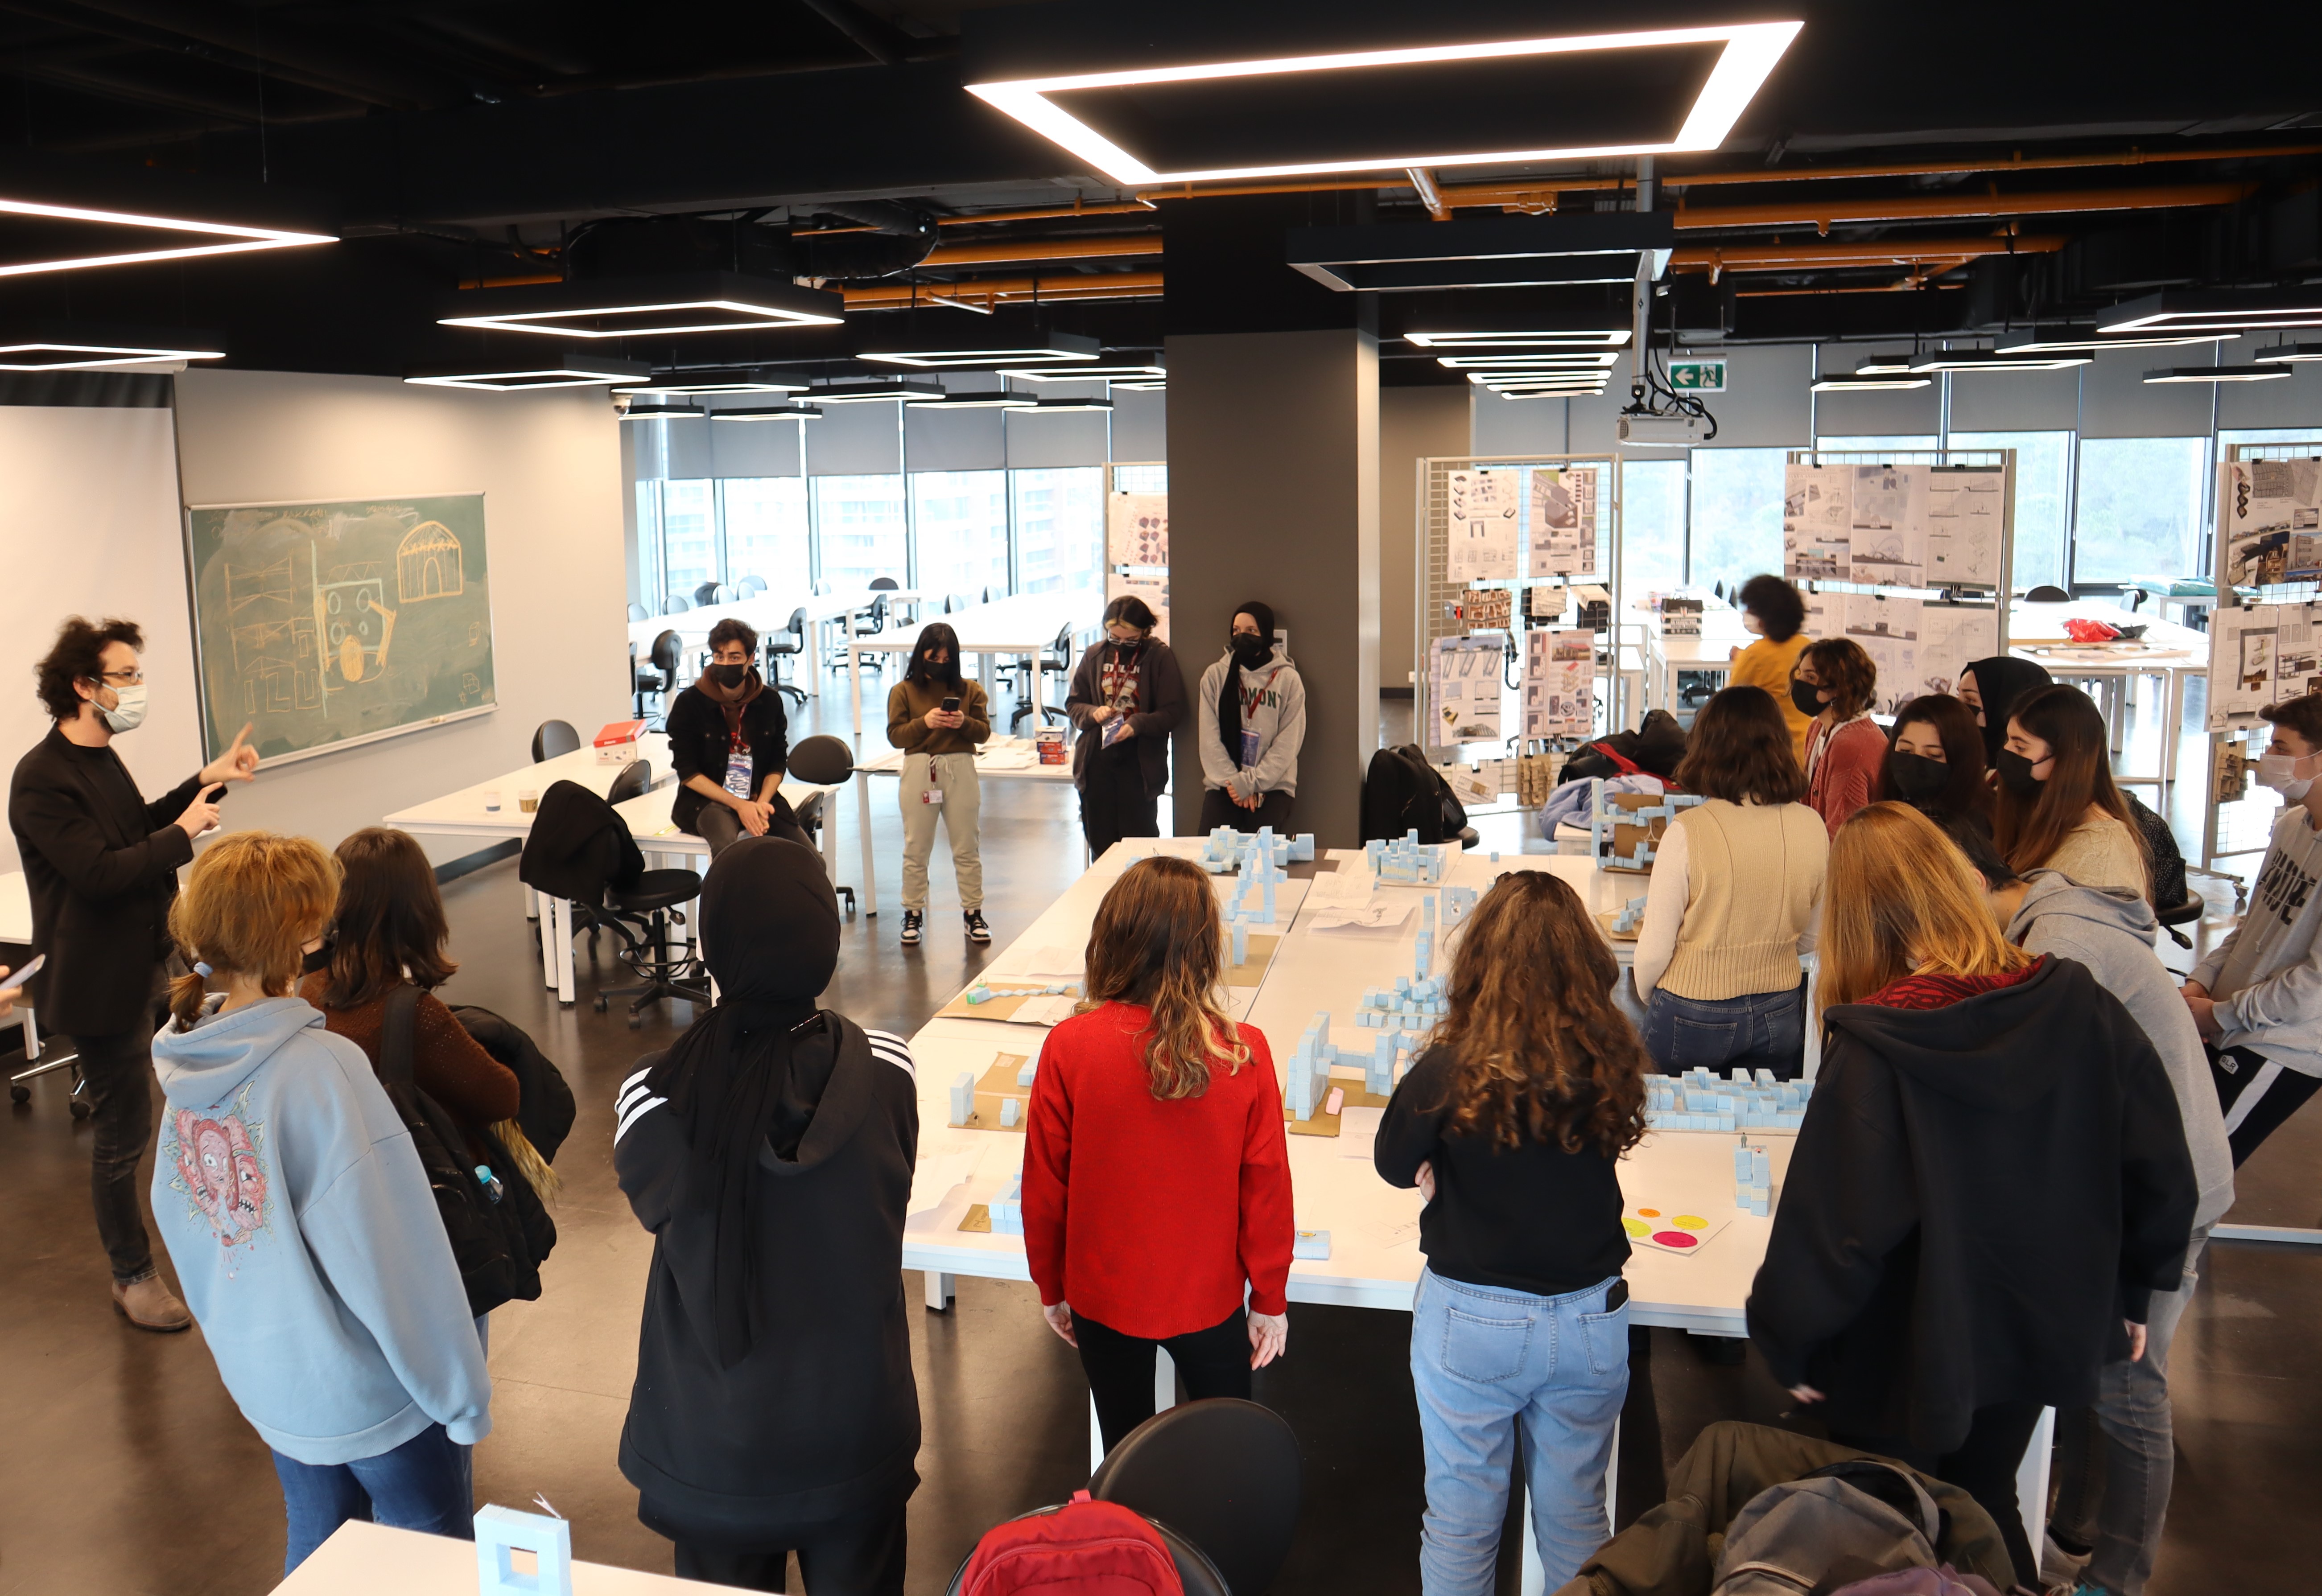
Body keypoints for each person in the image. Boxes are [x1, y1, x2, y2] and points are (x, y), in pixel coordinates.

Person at [1746, 803, 2196, 1588]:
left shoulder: (1878, 1046)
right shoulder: (2077, 1001)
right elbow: (2157, 1161)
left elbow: (1836, 1228)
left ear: (1852, 918)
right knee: (1987, 1499)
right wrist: (2134, 1289)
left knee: (1888, 1522)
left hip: (1907, 1343)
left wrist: (1789, 1337)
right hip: (2035, 1323)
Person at [148, 831, 491, 1574]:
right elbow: (391, 1257)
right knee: (432, 1556)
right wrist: (459, 1393)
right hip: (370, 1396)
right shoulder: (323, 1068)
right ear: (301, 933)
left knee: (320, 1549)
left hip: (272, 1387)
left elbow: (191, 1231)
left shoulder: (186, 1071)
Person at [615, 837, 920, 1594]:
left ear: (712, 946)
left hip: (715, 1446)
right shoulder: (888, 1071)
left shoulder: (652, 1099)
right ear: (826, 940)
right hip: (856, 1429)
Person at [1943, 819, 2232, 1596]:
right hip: (2140, 1170)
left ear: (1968, 884)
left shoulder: (2058, 945)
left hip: (2160, 1187)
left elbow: (2045, 1099)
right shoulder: (2042, 917)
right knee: (2090, 1370)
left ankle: (2117, 1578)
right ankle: (2072, 1529)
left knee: (2128, 1387)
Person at [1373, 870, 1649, 1594]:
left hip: (1471, 1318)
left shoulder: (1451, 1066)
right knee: (1578, 1520)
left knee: (1461, 1528)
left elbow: (1392, 1160)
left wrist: (1437, 1167)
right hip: (1589, 1316)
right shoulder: (1609, 1057)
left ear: (1480, 962)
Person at [8, 615, 260, 1331]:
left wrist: (205, 784)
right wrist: (183, 833)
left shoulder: (101, 756)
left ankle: (207, 1229)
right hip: (100, 982)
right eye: (126, 676)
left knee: (184, 1106)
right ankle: (132, 1275)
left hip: (152, 958)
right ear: (84, 686)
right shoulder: (41, 779)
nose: (138, 687)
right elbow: (98, 872)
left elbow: (135, 828)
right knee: (123, 1137)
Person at [1023, 855, 1292, 1454]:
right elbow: (1266, 1188)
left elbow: (1044, 1186)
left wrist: (1050, 1285)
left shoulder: (1068, 1047)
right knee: (1227, 1447)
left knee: (1124, 1452)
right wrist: (1268, 1299)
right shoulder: (1242, 1052)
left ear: (1111, 938)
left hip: (1101, 1294)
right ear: (1205, 949)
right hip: (1208, 1296)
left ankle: (1128, 1518)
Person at [1632, 686, 1825, 1080]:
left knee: (1663, 1114)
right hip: (1779, 1008)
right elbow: (1812, 937)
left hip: (1691, 1006)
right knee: (1758, 1117)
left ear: (1705, 746)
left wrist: (1653, 998)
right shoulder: (1812, 825)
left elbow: (1654, 952)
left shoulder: (1688, 830)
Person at [2185, 691, 2322, 1167]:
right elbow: (2256, 921)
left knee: (2200, 1170)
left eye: (2281, 748)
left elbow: (2312, 988)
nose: (2267, 759)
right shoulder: (2290, 826)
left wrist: (2219, 1015)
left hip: (2282, 1045)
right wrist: (2201, 981)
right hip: (2227, 1018)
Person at [885, 622, 994, 948]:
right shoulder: (903, 691)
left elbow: (983, 733)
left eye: (947, 659)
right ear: (921, 655)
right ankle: (913, 913)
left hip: (960, 767)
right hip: (921, 767)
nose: (940, 664)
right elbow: (896, 736)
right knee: (916, 846)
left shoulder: (971, 690)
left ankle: (973, 913)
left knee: (967, 846)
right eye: (934, 658)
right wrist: (925, 722)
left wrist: (963, 723)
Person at [1993, 684, 2148, 899]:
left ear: (2068, 755)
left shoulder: (2102, 852)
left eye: (2021, 747)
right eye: (2008, 741)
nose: (2006, 752)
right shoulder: (2041, 811)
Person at [667, 617, 802, 857]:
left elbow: (778, 760)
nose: (725, 663)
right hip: (709, 801)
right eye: (719, 657)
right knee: (730, 855)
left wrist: (761, 803)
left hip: (758, 795)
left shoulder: (769, 701)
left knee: (809, 859)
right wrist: (740, 805)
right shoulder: (689, 703)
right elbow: (687, 772)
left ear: (751, 659)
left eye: (734, 657)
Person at [1066, 596, 1186, 861]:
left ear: (1145, 632)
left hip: (1139, 768)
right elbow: (1074, 704)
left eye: (1131, 640)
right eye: (1115, 638)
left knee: (1140, 852)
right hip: (1097, 765)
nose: (1121, 644)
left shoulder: (1159, 657)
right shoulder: (1095, 655)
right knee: (1102, 850)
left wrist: (1138, 724)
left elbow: (1173, 711)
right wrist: (1092, 712)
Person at [1196, 601, 1307, 834]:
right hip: (1224, 785)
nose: (1242, 636)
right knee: (1211, 851)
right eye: (1236, 630)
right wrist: (1236, 783)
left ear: (1266, 633)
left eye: (1251, 631)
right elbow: (1209, 740)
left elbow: (1289, 743)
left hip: (1273, 787)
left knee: (1261, 853)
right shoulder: (1215, 676)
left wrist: (1251, 783)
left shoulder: (1288, 679)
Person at [1793, 637, 1885, 835]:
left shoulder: (1850, 746)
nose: (1799, 683)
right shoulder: (1817, 728)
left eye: (1810, 678)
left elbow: (1842, 835)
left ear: (1840, 687)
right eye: (1799, 674)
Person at [1877, 693, 1992, 833]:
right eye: (1906, 750)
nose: (1914, 764)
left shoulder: (1971, 831)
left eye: (1933, 755)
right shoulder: (1890, 812)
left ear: (1962, 760)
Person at [1726, 575, 1813, 760]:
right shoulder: (1807, 647)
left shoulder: (1755, 655)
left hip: (1767, 755)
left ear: (1767, 616)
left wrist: (1743, 660)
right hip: (1805, 750)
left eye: (1751, 609)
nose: (1746, 613)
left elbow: (1727, 705)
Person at [1957, 655, 2053, 766]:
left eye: (1970, 699)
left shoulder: (2021, 770)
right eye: (1958, 695)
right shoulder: (1965, 758)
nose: (1957, 706)